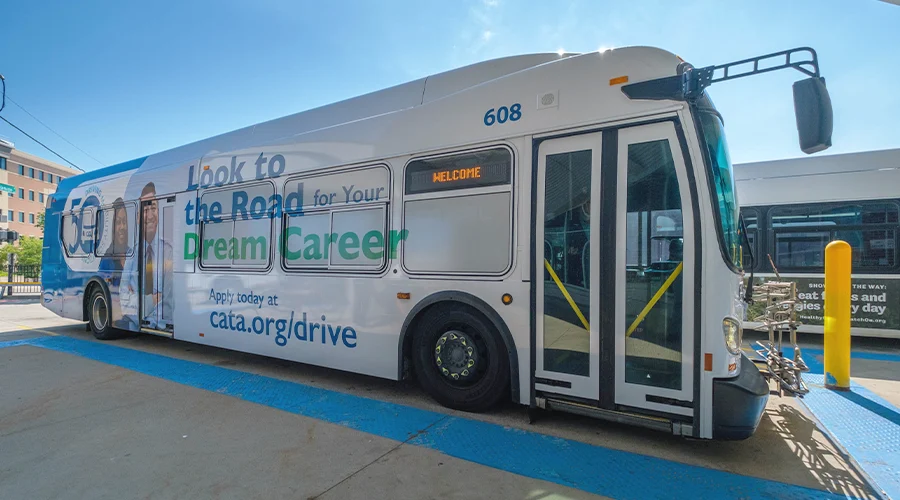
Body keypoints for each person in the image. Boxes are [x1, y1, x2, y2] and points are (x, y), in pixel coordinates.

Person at [122, 182, 174, 330]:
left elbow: (168, 306)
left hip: (147, 325)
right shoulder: (131, 255)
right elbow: (124, 301)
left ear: (159, 213)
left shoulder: (169, 253)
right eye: (145, 209)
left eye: (153, 209)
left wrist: (138, 304)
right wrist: (152, 300)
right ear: (138, 217)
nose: (150, 215)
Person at [98, 198, 136, 329]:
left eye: (124, 222)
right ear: (113, 226)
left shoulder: (134, 253)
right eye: (118, 222)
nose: (122, 227)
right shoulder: (106, 260)